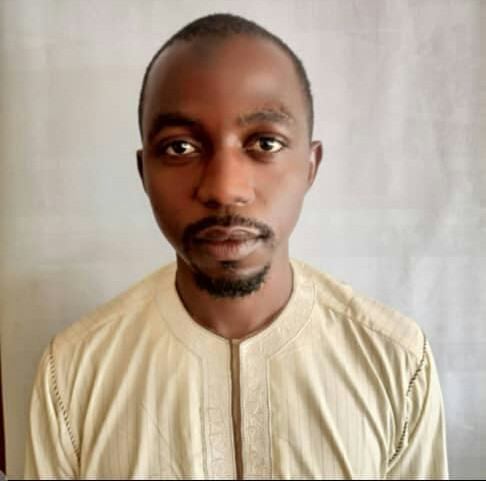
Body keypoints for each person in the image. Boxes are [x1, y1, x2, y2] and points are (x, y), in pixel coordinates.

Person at [24, 13, 448, 479]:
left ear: (310, 166)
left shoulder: (394, 361)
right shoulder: (74, 373)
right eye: (180, 148)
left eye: (265, 143)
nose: (224, 190)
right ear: (144, 174)